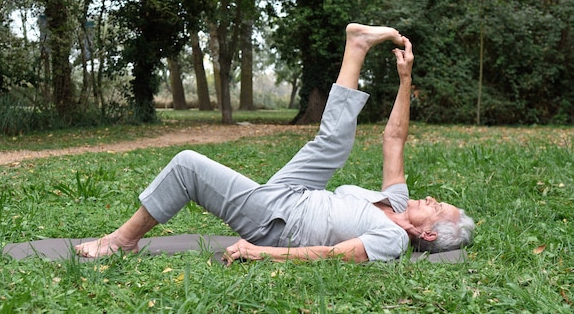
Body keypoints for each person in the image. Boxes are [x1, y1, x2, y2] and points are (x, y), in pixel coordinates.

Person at [75, 23, 475, 263]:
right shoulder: (399, 203)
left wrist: (259, 252)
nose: (429, 199)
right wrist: (405, 81)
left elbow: (333, 256)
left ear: (427, 235)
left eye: (436, 208)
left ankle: (121, 241)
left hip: (277, 220)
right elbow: (394, 139)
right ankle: (356, 46)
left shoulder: (391, 240)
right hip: (298, 193)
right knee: (335, 143)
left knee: (187, 165)